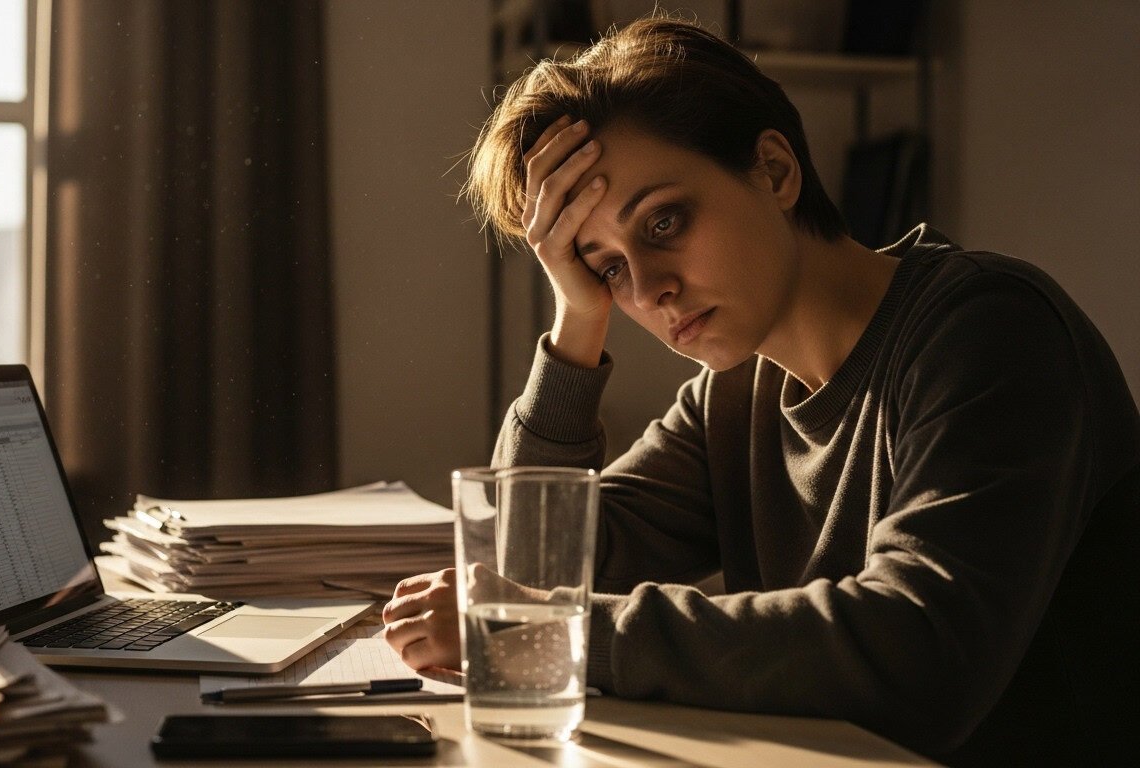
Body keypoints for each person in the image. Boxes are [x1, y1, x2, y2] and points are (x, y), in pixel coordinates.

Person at [380, 16, 1140, 767]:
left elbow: (920, 653)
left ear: (775, 171)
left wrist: (552, 637)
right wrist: (578, 318)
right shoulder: (734, 392)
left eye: (664, 222)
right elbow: (532, 573)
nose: (649, 290)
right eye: (607, 266)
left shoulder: (990, 328)